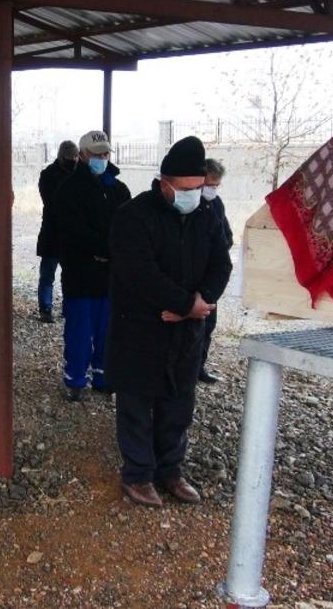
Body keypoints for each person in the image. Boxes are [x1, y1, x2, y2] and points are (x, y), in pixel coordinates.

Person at [106, 136, 232, 507]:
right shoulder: (133, 216)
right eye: (186, 189)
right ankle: (138, 475)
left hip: (186, 329)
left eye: (200, 188)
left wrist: (200, 302)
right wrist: (182, 302)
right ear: (165, 184)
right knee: (137, 405)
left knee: (178, 403)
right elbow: (139, 273)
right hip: (141, 328)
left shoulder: (205, 215)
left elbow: (221, 263)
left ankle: (170, 470)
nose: (195, 196)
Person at [52, 130, 130, 402]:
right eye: (96, 154)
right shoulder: (69, 189)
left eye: (106, 153)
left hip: (109, 275)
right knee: (79, 331)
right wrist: (105, 249)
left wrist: (114, 252)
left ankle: (103, 375)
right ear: (83, 155)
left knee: (108, 329)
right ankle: (75, 379)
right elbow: (72, 232)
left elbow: (128, 227)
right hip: (80, 274)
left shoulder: (118, 188)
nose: (102, 158)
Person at [34, 140, 78, 324]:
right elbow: (51, 202)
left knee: (71, 274)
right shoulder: (48, 175)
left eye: (75, 156)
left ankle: (68, 308)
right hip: (53, 232)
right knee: (48, 274)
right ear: (61, 156)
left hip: (71, 233)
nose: (73, 159)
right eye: (70, 156)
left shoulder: (78, 173)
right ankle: (45, 309)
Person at [199, 158, 233, 384]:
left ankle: (198, 367)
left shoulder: (217, 203)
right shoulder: (188, 203)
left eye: (216, 186)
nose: (212, 190)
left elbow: (227, 235)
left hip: (211, 277)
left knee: (207, 325)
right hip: (192, 274)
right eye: (210, 185)